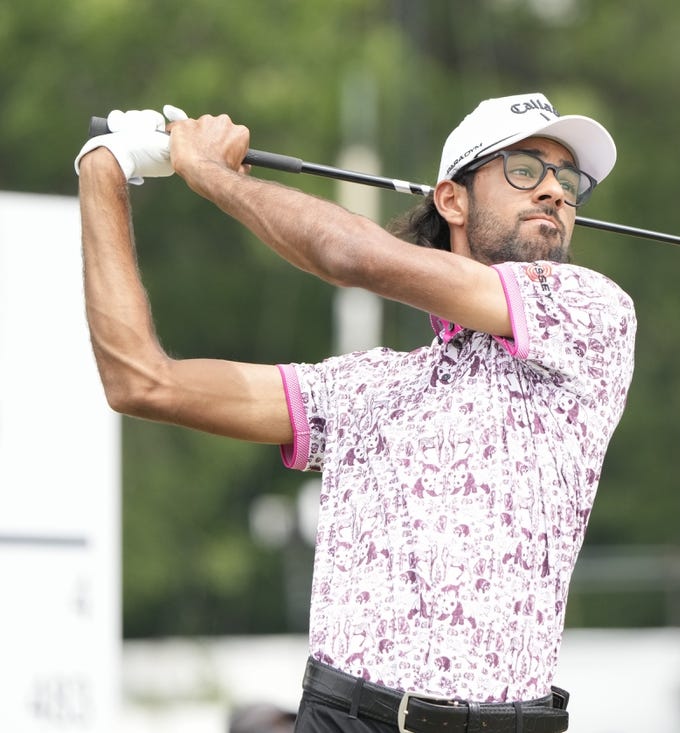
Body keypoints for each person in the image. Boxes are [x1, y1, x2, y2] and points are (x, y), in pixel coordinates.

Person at [75, 92, 636, 733]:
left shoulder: (592, 313)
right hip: (342, 718)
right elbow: (142, 383)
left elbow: (354, 258)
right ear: (452, 199)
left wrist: (213, 174)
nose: (555, 193)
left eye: (568, 180)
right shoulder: (367, 388)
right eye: (525, 169)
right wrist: (103, 170)